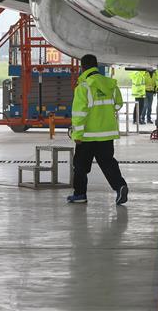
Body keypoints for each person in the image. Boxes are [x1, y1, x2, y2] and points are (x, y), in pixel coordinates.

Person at [67, 54, 129, 205]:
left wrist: (77, 134)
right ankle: (120, 186)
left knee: (80, 166)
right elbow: (118, 105)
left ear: (83, 67)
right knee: (108, 163)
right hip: (106, 134)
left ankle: (80, 194)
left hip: (87, 136)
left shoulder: (84, 87)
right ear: (96, 66)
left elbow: (79, 114)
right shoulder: (111, 85)